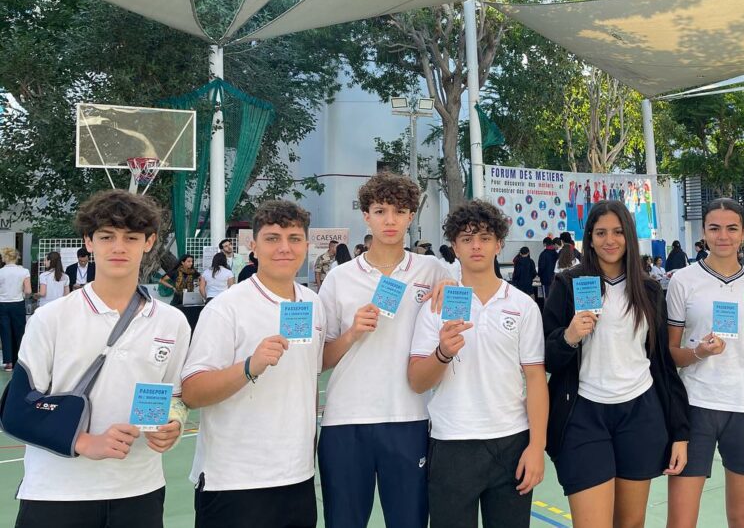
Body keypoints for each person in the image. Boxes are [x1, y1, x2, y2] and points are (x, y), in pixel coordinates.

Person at [13, 190, 190, 527]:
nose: (119, 247)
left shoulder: (172, 322)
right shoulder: (51, 318)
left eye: (131, 237)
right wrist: (83, 442)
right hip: (57, 492)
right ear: (89, 242)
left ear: (149, 242)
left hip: (140, 490)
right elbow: (17, 411)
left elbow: (175, 397)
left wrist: (174, 424)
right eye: (107, 236)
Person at [543, 200, 690, 526]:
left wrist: (680, 431)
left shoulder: (649, 289)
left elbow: (664, 364)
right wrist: (568, 336)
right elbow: (547, 357)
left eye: (618, 232)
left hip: (639, 414)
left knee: (631, 523)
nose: (610, 240)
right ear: (590, 238)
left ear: (629, 236)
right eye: (601, 233)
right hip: (584, 415)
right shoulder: (568, 284)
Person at [317, 172, 451, 528]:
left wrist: (453, 284)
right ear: (366, 216)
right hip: (346, 421)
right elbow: (319, 361)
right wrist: (351, 335)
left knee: (409, 521)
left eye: (399, 211)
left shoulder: (433, 270)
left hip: (409, 418)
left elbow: (460, 309)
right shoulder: (340, 278)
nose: (390, 220)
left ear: (411, 216)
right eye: (380, 211)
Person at [182, 200, 325, 528]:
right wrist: (249, 366)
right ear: (254, 245)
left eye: (294, 238)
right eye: (273, 238)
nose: (284, 248)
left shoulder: (313, 302)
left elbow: (309, 377)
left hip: (297, 477)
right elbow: (192, 391)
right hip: (235, 481)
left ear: (306, 244)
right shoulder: (226, 308)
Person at [408, 200, 547, 528]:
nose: (476, 246)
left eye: (484, 237)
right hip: (451, 443)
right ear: (454, 246)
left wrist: (536, 447)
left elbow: (537, 380)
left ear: (499, 244)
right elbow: (416, 381)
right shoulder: (437, 305)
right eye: (467, 238)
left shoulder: (522, 305)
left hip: (511, 441)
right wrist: (442, 352)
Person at [667, 199, 744, 528]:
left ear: (743, 233)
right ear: (704, 233)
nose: (722, 236)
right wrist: (699, 352)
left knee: (742, 517)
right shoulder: (683, 281)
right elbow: (671, 352)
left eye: (731, 228)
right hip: (695, 404)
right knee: (682, 519)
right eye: (714, 228)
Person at [0, 247, 31, 371]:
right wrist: (22, 294)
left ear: (5, 258)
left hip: (2, 304)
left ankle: (8, 363)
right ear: (16, 257)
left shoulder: (0, 272)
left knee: (5, 332)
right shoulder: (24, 271)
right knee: (19, 333)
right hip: (18, 304)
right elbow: (28, 291)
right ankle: (19, 360)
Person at [160, 254, 198, 321]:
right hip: (178, 297)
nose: (191, 263)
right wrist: (172, 287)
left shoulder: (193, 272)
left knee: (188, 317)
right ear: (182, 262)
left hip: (189, 298)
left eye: (192, 261)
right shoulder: (175, 272)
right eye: (188, 261)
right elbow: (162, 280)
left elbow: (201, 279)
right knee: (173, 317)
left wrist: (196, 284)